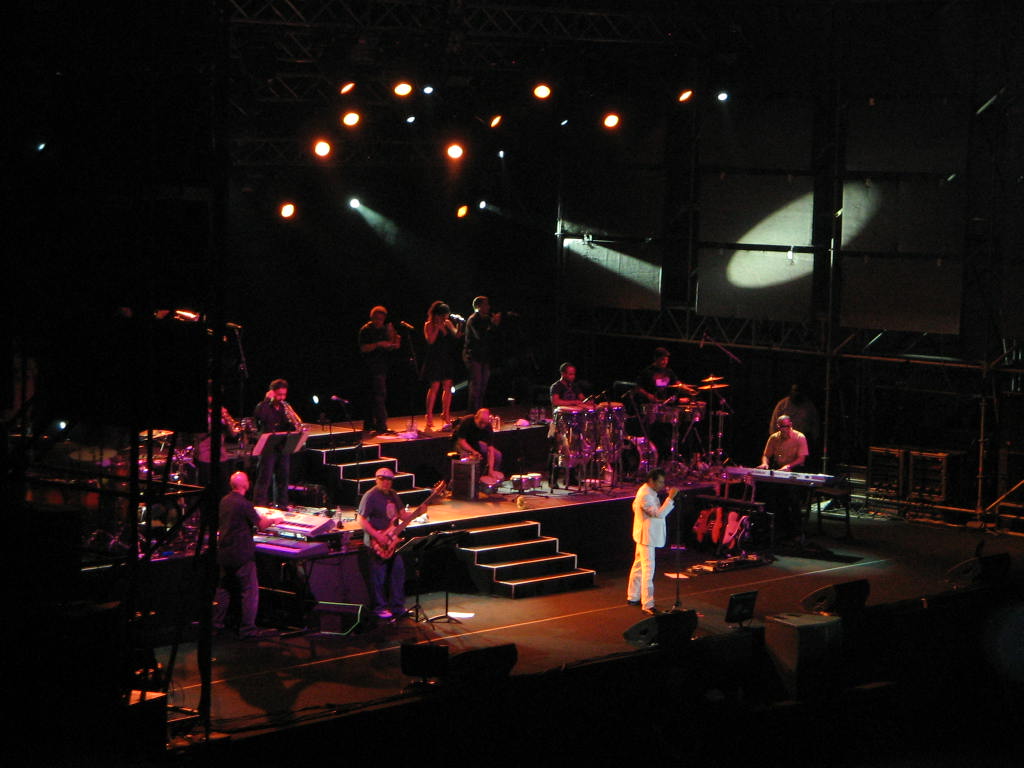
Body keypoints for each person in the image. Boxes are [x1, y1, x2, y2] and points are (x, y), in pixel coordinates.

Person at [213, 471, 281, 640]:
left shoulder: (224, 500)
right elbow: (262, 525)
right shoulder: (244, 504)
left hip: (224, 552)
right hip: (241, 554)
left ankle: (216, 625)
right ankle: (248, 629)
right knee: (250, 591)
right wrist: (275, 519)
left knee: (223, 589)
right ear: (245, 485)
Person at [626, 468, 678, 614]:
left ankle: (633, 596)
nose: (662, 485)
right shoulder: (645, 495)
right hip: (646, 537)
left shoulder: (646, 492)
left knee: (638, 566)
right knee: (648, 570)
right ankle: (648, 604)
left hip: (643, 535)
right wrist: (670, 498)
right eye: (660, 482)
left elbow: (635, 507)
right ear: (651, 481)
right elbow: (659, 514)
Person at [358, 467, 407, 621]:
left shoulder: (393, 495)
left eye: (389, 480)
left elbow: (402, 515)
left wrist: (420, 511)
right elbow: (361, 519)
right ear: (376, 479)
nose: (386, 482)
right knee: (378, 576)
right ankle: (380, 607)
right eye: (382, 479)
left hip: (392, 541)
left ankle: (397, 607)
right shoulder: (370, 496)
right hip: (376, 543)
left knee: (398, 573)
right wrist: (377, 535)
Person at [758, 415, 810, 538]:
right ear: (778, 426)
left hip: (795, 470)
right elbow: (766, 455)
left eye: (787, 426)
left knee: (792, 496)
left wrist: (789, 466)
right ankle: (776, 528)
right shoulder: (774, 438)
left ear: (791, 425)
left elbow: (801, 459)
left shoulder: (799, 437)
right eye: (782, 427)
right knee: (770, 495)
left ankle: (796, 531)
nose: (785, 429)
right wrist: (764, 463)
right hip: (779, 469)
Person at [252, 379, 301, 508]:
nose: (282, 398)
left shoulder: (284, 407)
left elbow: (291, 424)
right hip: (267, 447)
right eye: (279, 395)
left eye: (284, 395)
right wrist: (266, 400)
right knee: (265, 479)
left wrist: (294, 424)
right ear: (272, 393)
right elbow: (260, 417)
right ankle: (259, 506)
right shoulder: (263, 406)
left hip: (282, 446)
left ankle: (282, 505)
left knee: (283, 478)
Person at [358, 305, 402, 435]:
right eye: (377, 319)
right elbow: (363, 348)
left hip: (382, 366)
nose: (379, 321)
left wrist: (394, 339)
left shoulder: (384, 329)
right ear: (372, 318)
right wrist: (378, 344)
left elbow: (393, 346)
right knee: (376, 396)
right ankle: (378, 425)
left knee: (379, 396)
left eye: (381, 319)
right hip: (369, 366)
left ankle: (373, 424)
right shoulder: (366, 330)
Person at [422, 300, 461, 432]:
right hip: (434, 358)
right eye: (442, 315)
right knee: (434, 386)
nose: (444, 318)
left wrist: (459, 325)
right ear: (436, 314)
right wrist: (437, 327)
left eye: (445, 315)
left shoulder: (447, 323)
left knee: (448, 386)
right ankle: (429, 415)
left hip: (446, 358)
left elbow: (456, 335)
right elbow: (430, 341)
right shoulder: (428, 325)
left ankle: (446, 414)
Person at [463, 296, 502, 412]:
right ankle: (473, 413)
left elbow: (494, 337)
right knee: (476, 385)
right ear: (478, 306)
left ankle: (479, 411)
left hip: (485, 356)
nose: (488, 307)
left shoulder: (487, 319)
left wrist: (495, 325)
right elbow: (480, 336)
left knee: (483, 386)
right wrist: (493, 324)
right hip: (474, 356)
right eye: (486, 304)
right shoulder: (473, 319)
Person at [769, 384, 820, 463]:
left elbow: (814, 423)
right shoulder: (783, 404)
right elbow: (774, 423)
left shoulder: (808, 406)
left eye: (799, 391)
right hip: (784, 440)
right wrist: (775, 440)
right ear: (791, 391)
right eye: (795, 391)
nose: (797, 393)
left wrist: (814, 439)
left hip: (802, 441)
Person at [455, 408, 503, 479]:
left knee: (497, 455)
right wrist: (473, 451)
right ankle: (470, 479)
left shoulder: (488, 427)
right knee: (468, 457)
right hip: (462, 443)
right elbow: (461, 441)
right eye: (481, 422)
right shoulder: (467, 421)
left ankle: (491, 477)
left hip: (475, 443)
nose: (483, 425)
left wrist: (491, 469)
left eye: (485, 423)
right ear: (476, 417)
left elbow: (490, 449)